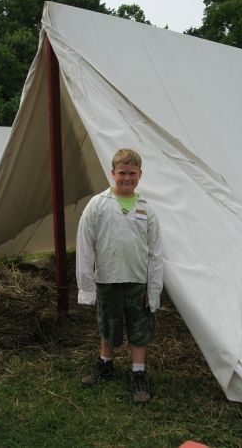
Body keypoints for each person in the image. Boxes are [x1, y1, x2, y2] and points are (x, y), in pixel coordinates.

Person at [76, 148, 163, 403]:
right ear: (113, 173)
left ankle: (138, 373)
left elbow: (156, 253)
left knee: (139, 327)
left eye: (132, 173)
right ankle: (105, 363)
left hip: (138, 281)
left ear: (140, 174)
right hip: (107, 278)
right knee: (109, 324)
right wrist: (87, 287)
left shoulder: (147, 209)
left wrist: (153, 289)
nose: (127, 178)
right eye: (122, 173)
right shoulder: (98, 204)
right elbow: (84, 244)